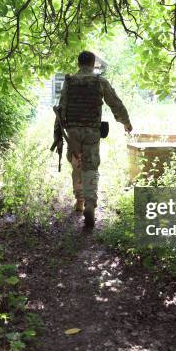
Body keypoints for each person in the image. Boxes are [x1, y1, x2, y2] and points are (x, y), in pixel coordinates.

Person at [54, 51, 132, 228]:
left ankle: (79, 201)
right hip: (92, 131)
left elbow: (62, 107)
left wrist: (58, 132)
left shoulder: (69, 81)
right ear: (93, 63)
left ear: (78, 63)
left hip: (72, 131)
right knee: (90, 166)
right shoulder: (99, 81)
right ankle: (90, 204)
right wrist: (125, 122)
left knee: (77, 164)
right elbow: (116, 104)